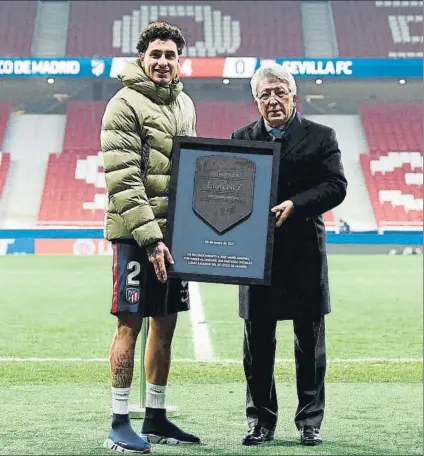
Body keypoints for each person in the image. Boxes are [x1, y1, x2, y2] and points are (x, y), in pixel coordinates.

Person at [230, 63, 347, 447]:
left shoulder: (322, 136)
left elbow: (336, 186)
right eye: (265, 94)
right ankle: (260, 422)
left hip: (303, 256)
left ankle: (309, 421)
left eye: (280, 91)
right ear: (255, 101)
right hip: (255, 256)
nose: (273, 99)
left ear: (293, 96)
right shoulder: (240, 138)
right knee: (257, 346)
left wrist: (297, 204)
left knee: (309, 347)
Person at [100, 21, 200, 453]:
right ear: (142, 58)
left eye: (170, 55)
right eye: (155, 54)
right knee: (130, 325)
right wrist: (151, 237)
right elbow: (123, 179)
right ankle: (119, 421)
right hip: (136, 236)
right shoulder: (123, 103)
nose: (162, 61)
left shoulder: (185, 105)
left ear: (180, 61)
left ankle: (156, 417)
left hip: (174, 236)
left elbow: (195, 170)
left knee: (166, 325)